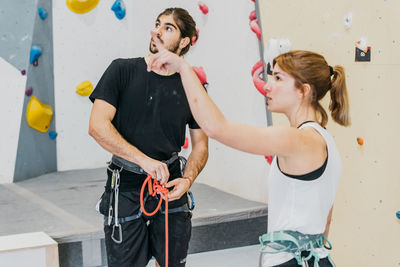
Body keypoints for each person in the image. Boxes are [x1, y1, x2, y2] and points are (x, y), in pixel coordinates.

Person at [147, 34, 350, 266]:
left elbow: (216, 128)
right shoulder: (324, 139)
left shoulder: (296, 139)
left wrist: (183, 68)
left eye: (278, 78)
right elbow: (326, 221)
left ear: (303, 91)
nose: (268, 85)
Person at [88, 8, 208, 267]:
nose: (157, 31)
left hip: (171, 187)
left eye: (168, 28)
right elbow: (97, 126)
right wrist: (144, 161)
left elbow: (201, 145)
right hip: (126, 186)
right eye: (157, 24)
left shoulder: (192, 85)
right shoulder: (121, 70)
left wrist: (187, 180)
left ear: (184, 41)